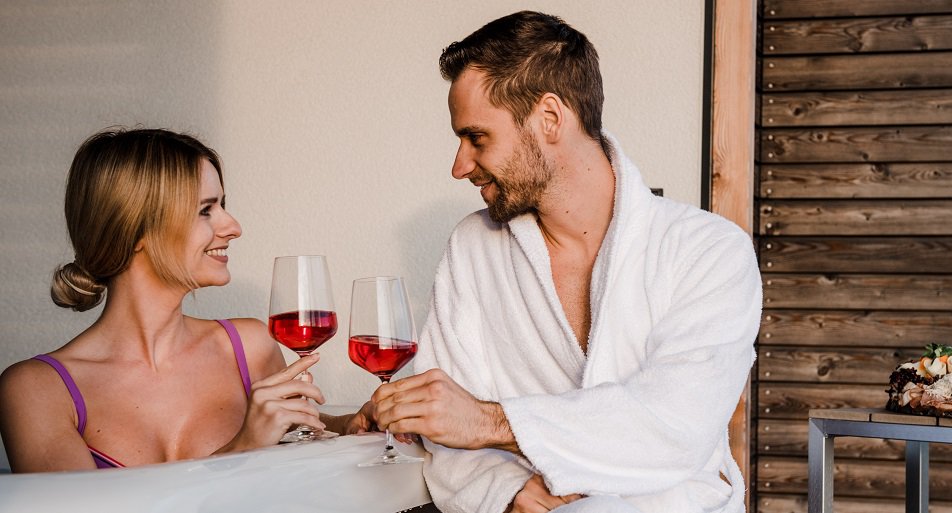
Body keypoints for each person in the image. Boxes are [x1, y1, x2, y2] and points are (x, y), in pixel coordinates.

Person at [370, 11, 761, 513]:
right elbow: (443, 426)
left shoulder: (709, 251)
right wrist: (505, 490)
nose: (459, 166)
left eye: (477, 138)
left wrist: (490, 422)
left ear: (550, 118)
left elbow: (674, 426)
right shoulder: (474, 246)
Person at [0, 128, 369, 473]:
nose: (234, 227)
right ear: (136, 229)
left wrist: (353, 424)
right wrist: (242, 448)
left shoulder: (248, 346)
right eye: (205, 210)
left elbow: (299, 435)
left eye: (222, 204)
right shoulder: (37, 390)